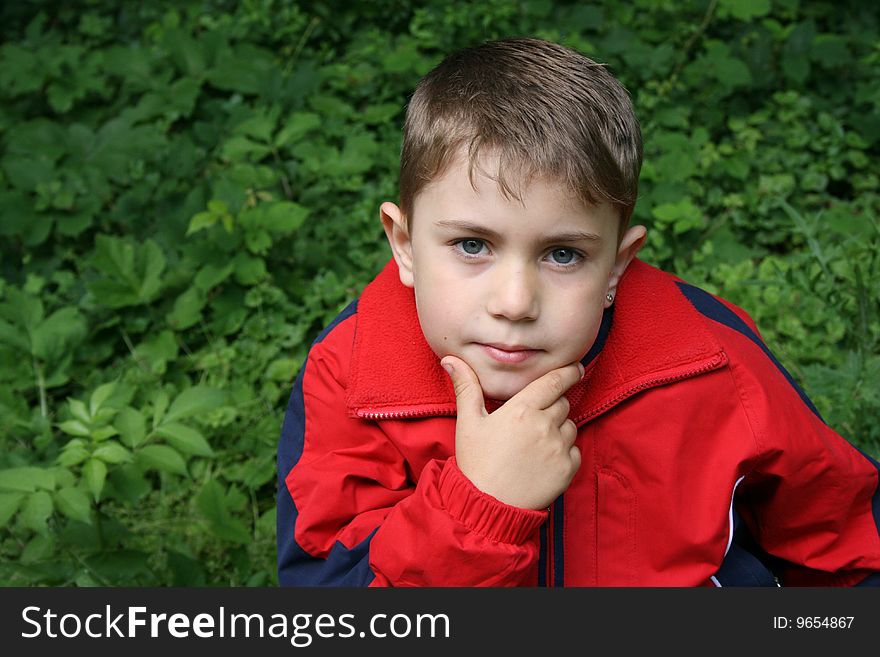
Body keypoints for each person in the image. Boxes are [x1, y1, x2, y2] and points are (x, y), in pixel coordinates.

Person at [276, 37, 880, 586]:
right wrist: (479, 507)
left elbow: (849, 545)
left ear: (617, 264)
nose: (514, 303)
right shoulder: (352, 376)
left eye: (562, 254)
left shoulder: (708, 360)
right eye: (472, 245)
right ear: (404, 244)